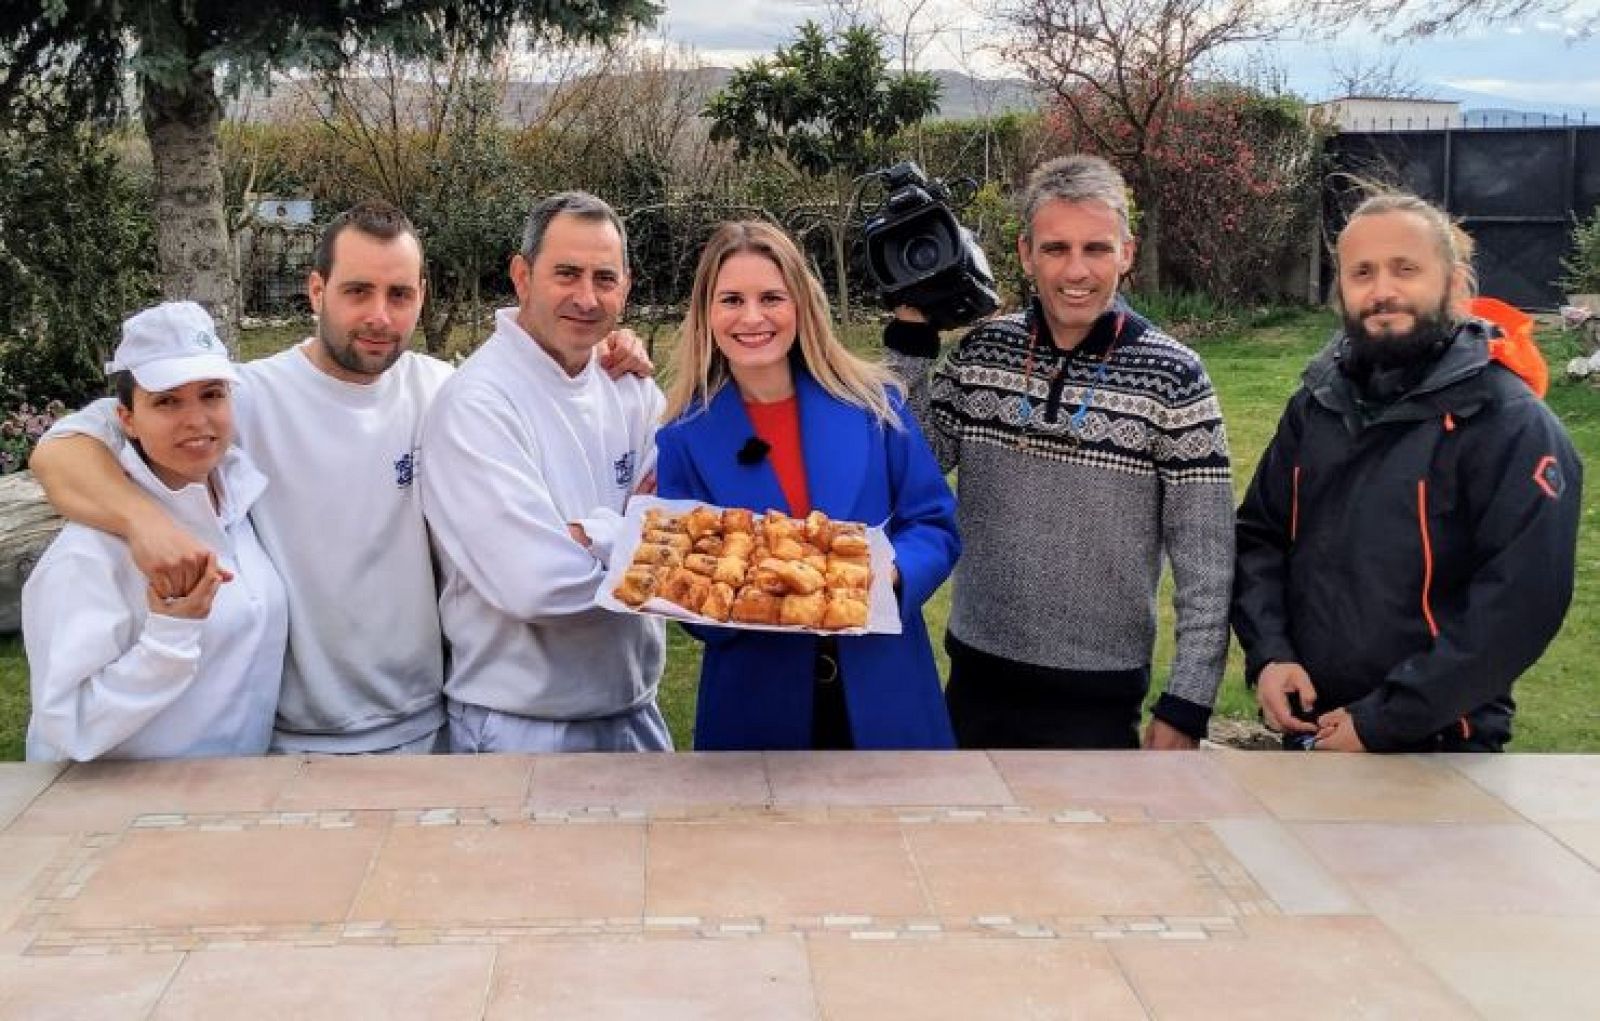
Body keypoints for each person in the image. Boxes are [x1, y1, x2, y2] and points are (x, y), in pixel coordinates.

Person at [882, 154, 1235, 750]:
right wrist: (911, 343)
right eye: (1055, 249)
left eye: (1096, 249)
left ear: (1126, 251)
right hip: (976, 675)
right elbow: (905, 462)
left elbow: (1208, 557)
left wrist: (1187, 704)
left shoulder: (1176, 376)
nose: (1076, 270)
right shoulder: (985, 351)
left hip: (1101, 694)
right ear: (1025, 254)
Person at [1232, 191, 1581, 752]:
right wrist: (1270, 654)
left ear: (1456, 283)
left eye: (1406, 269)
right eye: (1362, 273)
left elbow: (1520, 603)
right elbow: (1259, 538)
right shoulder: (1314, 406)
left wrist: (1382, 720)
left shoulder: (1510, 424)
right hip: (1313, 734)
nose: (1383, 291)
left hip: (1443, 745)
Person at [654, 220, 961, 750]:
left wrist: (892, 574)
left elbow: (933, 523)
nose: (752, 317)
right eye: (731, 299)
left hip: (885, 691)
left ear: (800, 305)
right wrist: (727, 601)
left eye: (771, 297)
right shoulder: (683, 438)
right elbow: (686, 585)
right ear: (707, 313)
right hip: (755, 706)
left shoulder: (874, 406)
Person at [419, 192, 670, 753]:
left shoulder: (630, 387)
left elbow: (685, 526)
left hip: (635, 715)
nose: (586, 297)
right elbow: (539, 586)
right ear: (522, 275)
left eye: (604, 278)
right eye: (566, 274)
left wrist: (595, 535)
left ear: (625, 289)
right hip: (522, 728)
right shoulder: (477, 404)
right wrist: (634, 528)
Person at [25, 302, 287, 761]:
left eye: (211, 395)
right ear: (125, 419)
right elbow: (70, 725)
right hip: (121, 815)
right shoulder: (89, 553)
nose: (196, 419)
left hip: (231, 800)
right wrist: (170, 635)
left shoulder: (239, 508)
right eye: (167, 401)